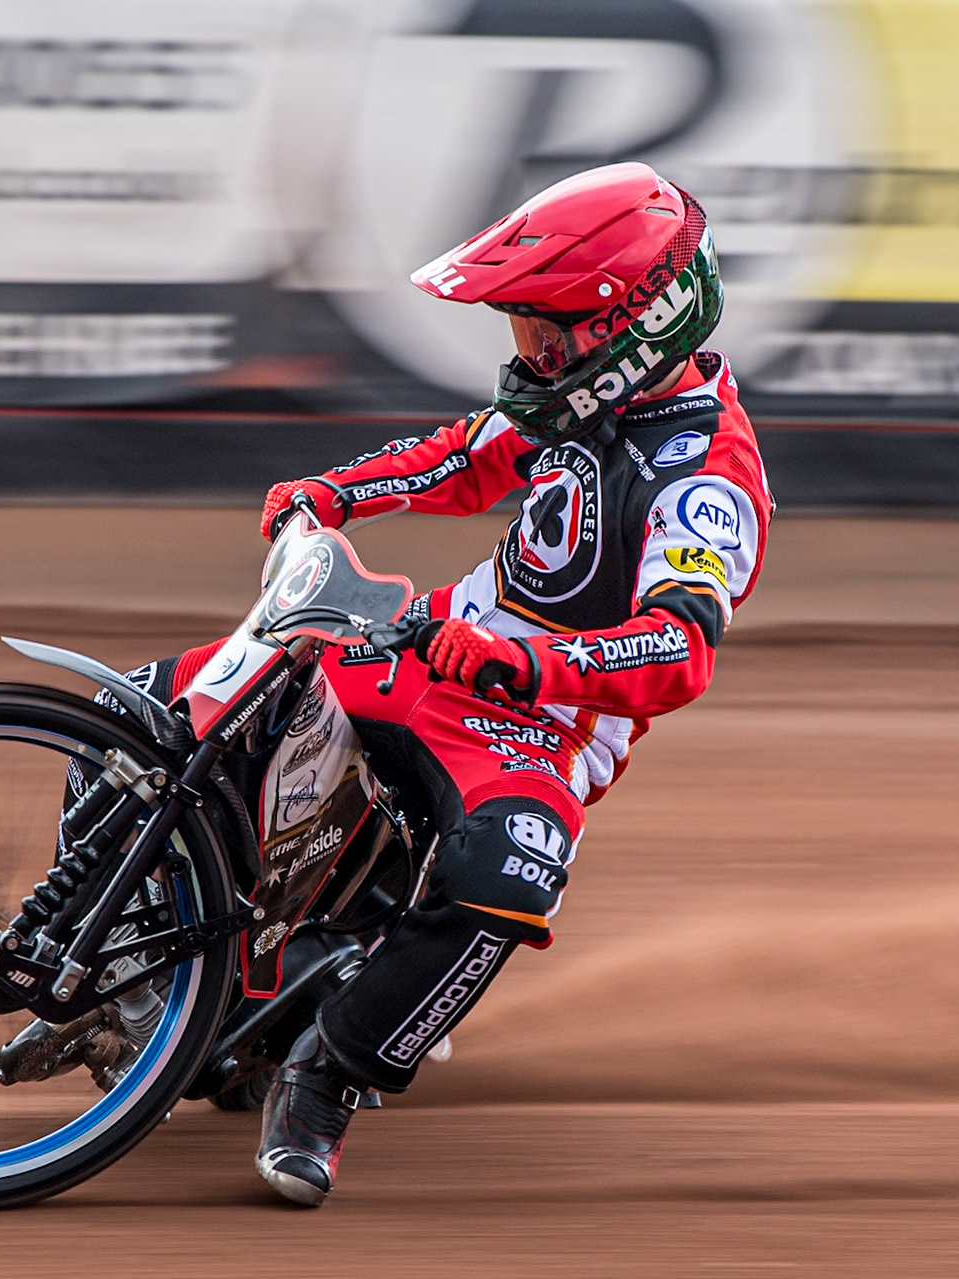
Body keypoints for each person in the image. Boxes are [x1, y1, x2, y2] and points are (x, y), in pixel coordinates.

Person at [153, 162, 771, 1205]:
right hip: (431, 640)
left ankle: (326, 1075)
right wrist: (334, 492)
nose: (527, 354)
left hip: (544, 726)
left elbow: (678, 652)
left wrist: (531, 661)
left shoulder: (709, 473)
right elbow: (459, 461)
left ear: (634, 328)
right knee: (165, 704)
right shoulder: (569, 395)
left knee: (508, 872)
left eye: (546, 332)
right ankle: (155, 942)